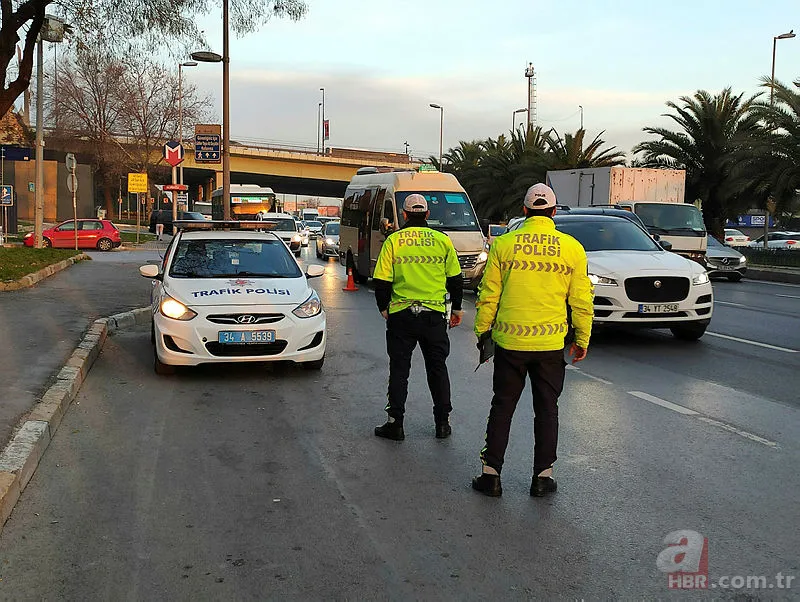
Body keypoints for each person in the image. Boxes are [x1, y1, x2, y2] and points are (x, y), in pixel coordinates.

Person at [471, 183, 594, 497]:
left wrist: (482, 332)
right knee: (547, 410)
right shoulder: (572, 249)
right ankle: (542, 477)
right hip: (551, 346)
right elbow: (581, 300)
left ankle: (491, 475)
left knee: (502, 407)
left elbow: (489, 295)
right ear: (553, 213)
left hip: (510, 344)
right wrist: (582, 338)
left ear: (524, 211)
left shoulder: (504, 244)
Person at [372, 194, 464, 441]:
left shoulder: (394, 241)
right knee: (437, 369)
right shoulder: (442, 240)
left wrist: (384, 308)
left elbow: (381, 280)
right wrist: (456, 309)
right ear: (426, 215)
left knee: (400, 370)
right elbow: (455, 279)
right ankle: (442, 424)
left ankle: (396, 423)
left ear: (403, 215)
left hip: (401, 315)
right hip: (434, 316)